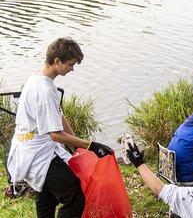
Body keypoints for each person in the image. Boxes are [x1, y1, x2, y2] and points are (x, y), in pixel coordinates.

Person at [6, 37, 113, 217]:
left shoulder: (37, 79)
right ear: (57, 61)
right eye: (70, 64)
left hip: (35, 150)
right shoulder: (45, 90)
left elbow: (59, 116)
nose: (72, 69)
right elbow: (55, 135)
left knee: (47, 198)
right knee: (75, 196)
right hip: (38, 156)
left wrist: (78, 146)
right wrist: (91, 145)